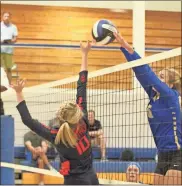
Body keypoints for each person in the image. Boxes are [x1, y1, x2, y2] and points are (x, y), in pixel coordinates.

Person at [11, 41, 99, 185]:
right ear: (76, 112)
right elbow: (82, 84)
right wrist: (84, 54)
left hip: (74, 181)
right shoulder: (82, 117)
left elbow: (28, 121)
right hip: (91, 177)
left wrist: (19, 93)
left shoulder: (56, 135)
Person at [113, 32, 182, 185]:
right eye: (159, 75)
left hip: (178, 154)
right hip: (162, 154)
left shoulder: (170, 96)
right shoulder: (154, 96)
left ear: (170, 85)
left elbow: (148, 73)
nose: (158, 78)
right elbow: (141, 72)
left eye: (162, 77)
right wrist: (125, 47)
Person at [1, 12, 18, 84]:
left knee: (8, 69)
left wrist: (10, 40)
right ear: (2, 17)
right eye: (5, 16)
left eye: (8, 16)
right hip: (0, 50)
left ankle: (10, 84)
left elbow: (15, 38)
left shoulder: (13, 27)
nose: (6, 18)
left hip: (9, 51)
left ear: (10, 18)